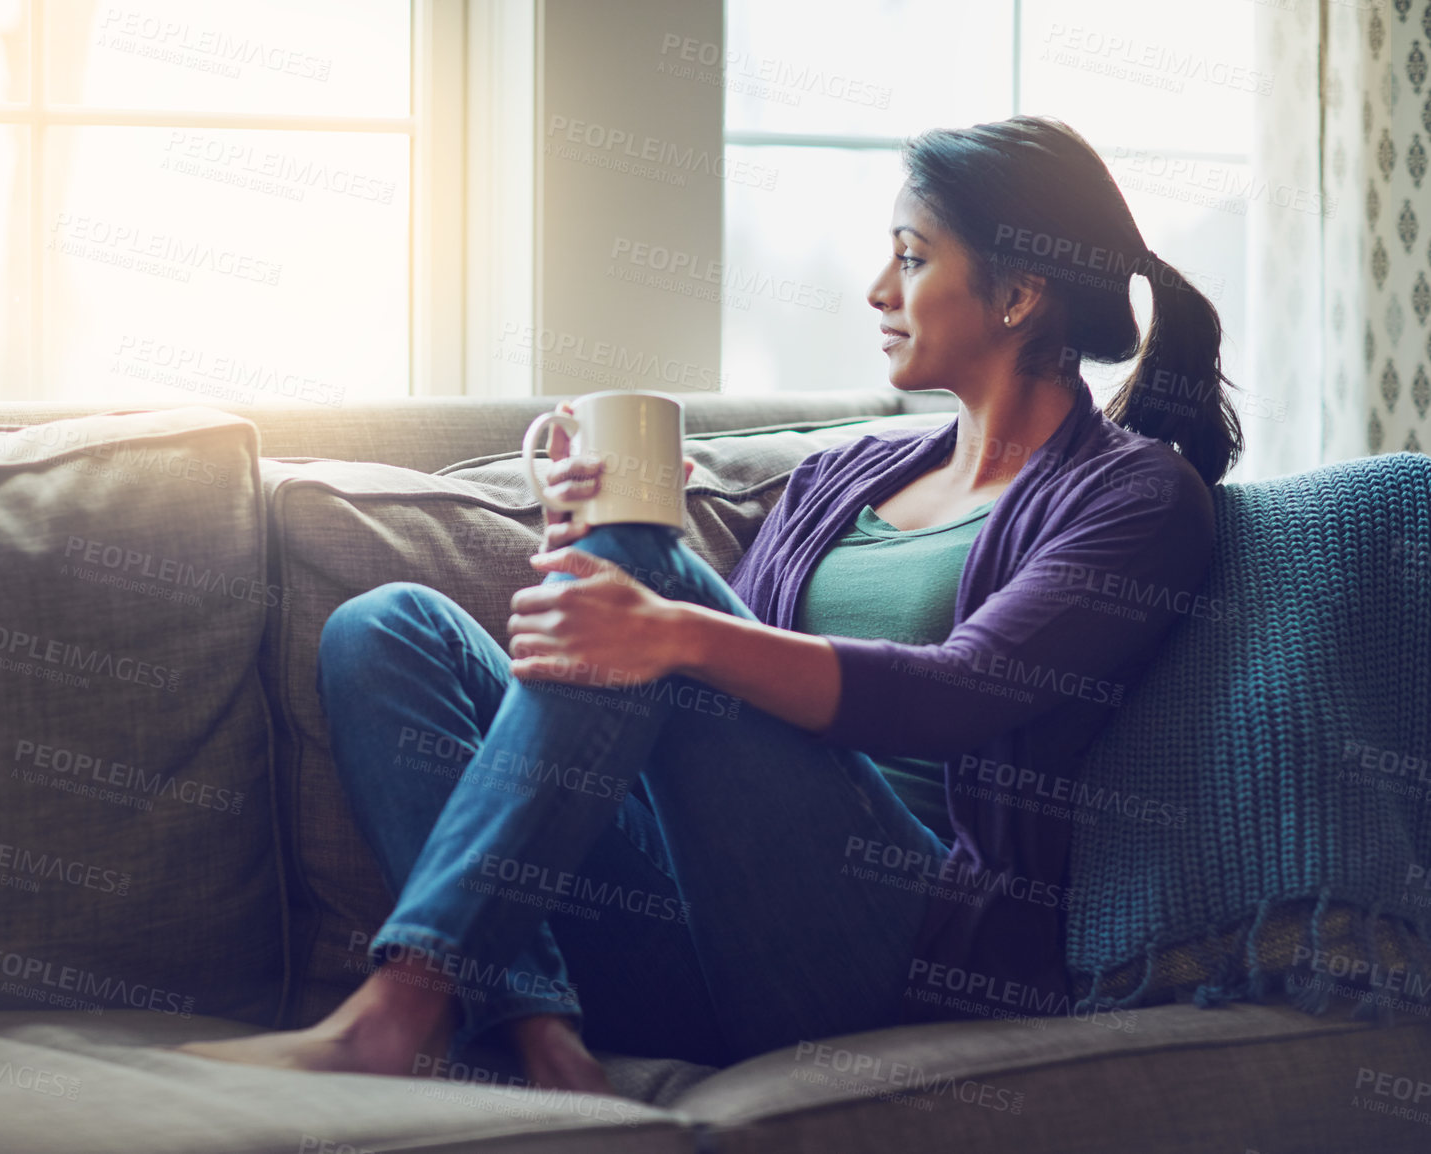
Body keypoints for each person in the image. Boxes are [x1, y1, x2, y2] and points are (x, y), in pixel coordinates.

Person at [177, 115, 1240, 1094]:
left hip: (896, 946)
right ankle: (535, 1026)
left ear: (1018, 292)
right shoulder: (846, 473)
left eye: (911, 257)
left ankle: (408, 999)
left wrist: (662, 602)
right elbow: (685, 700)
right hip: (691, 935)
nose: (876, 288)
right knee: (386, 625)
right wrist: (594, 543)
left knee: (648, 582)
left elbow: (962, 692)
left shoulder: (1137, 495)